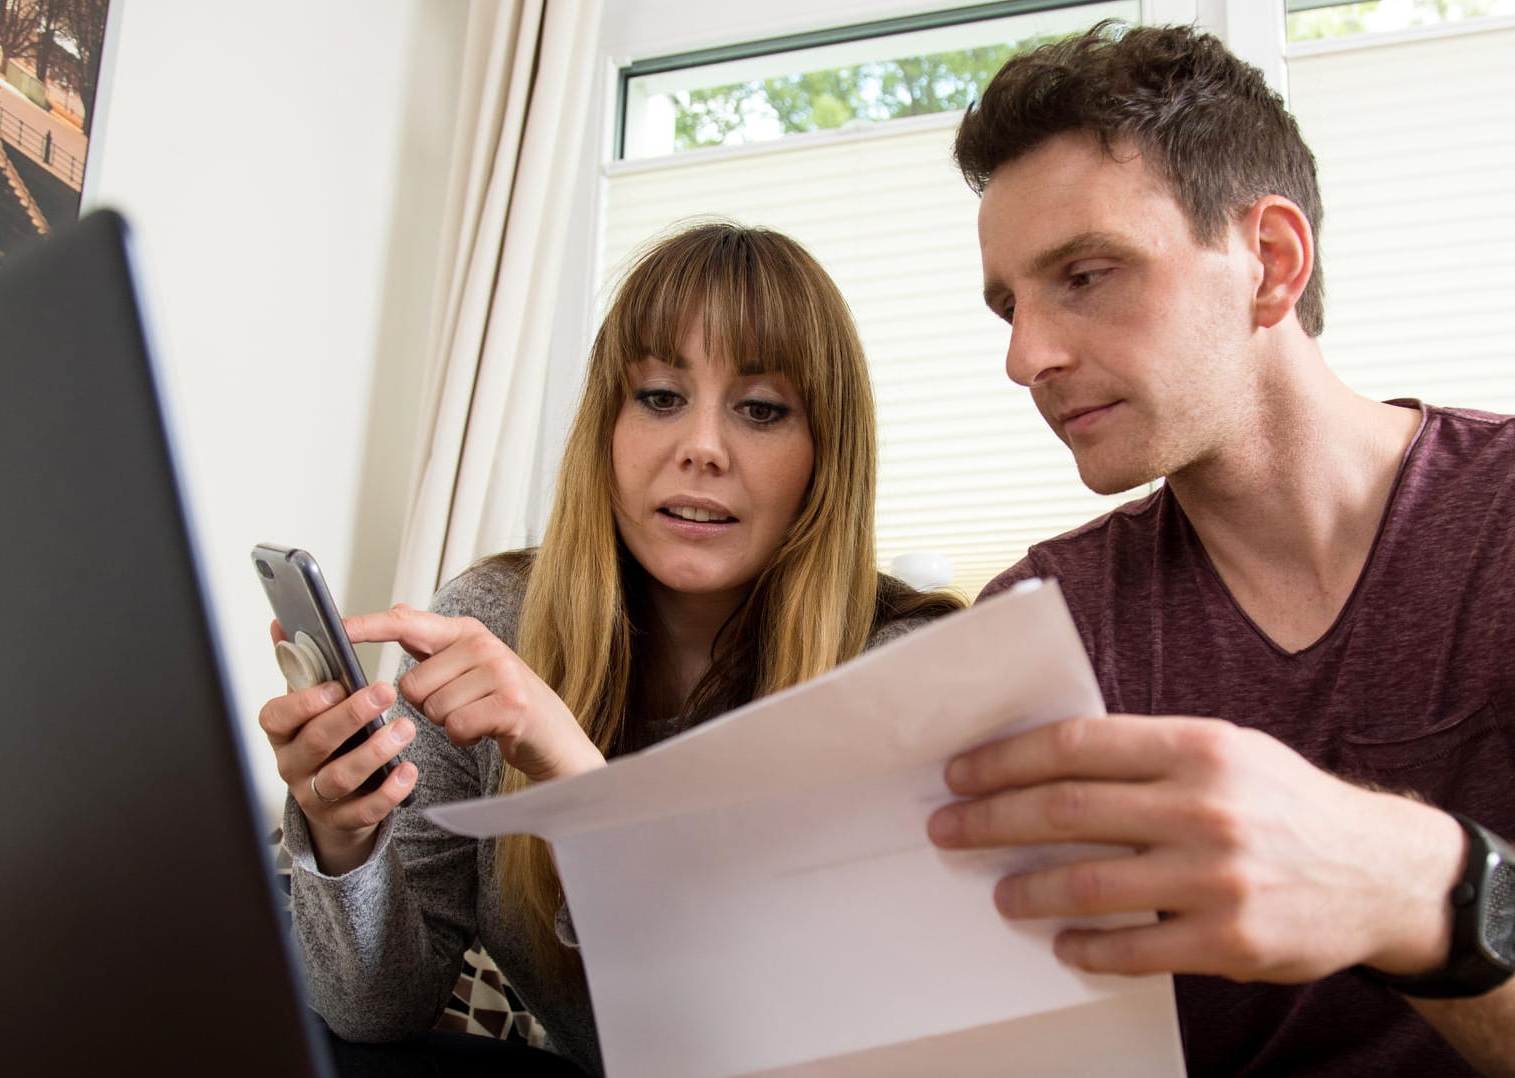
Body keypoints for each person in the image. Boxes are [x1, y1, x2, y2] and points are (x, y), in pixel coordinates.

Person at [924, 20, 1515, 1076]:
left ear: (1270, 262)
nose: (1025, 355)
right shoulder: (1049, 623)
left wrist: (1423, 892)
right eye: (1008, 304)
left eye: (1088, 274)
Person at [258, 220, 964, 1077]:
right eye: (660, 397)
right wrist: (343, 836)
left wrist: (577, 789)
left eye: (762, 409)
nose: (700, 448)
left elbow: (770, 1041)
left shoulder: (902, 665)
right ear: (606, 427)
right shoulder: (496, 617)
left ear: (825, 455)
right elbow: (375, 1010)